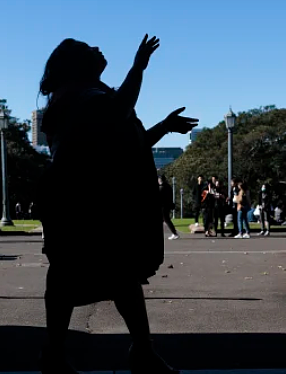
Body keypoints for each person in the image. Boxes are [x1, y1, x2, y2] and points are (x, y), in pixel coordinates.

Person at [37, 35, 195, 374]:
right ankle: (56, 358)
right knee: (71, 277)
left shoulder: (90, 97)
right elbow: (117, 111)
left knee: (121, 275)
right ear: (79, 63)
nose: (98, 49)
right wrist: (138, 67)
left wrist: (164, 127)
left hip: (93, 201)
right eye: (89, 49)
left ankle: (140, 350)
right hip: (80, 202)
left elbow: (129, 143)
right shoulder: (78, 98)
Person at [158, 175, 179, 240]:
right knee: (166, 220)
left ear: (160, 180)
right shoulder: (168, 186)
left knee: (167, 220)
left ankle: (175, 233)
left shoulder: (162, 187)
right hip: (167, 206)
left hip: (163, 206)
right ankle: (174, 233)